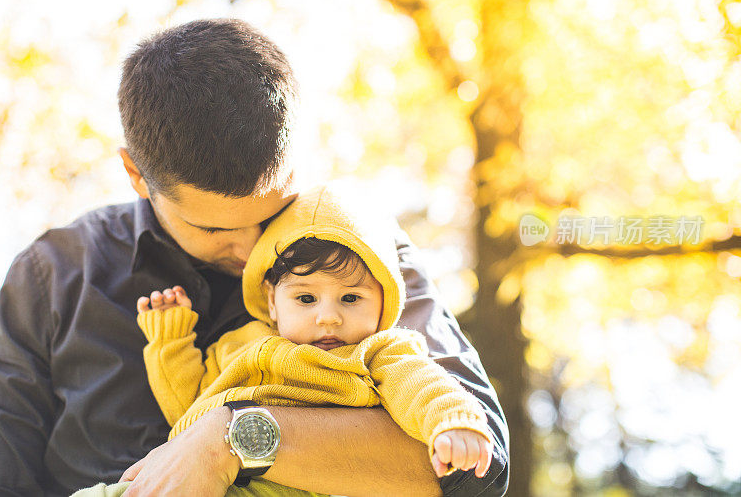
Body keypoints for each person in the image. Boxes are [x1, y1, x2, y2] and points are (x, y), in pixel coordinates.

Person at [0, 18, 508, 497]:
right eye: (213, 227)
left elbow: (479, 471)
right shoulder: (53, 278)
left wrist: (231, 438)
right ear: (137, 175)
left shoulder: (357, 253)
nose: (250, 249)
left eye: (271, 216)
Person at [73, 185, 495, 496]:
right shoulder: (240, 343)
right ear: (272, 302)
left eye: (351, 298)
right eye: (306, 298)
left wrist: (453, 422)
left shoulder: (379, 352)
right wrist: (170, 339)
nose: (328, 316)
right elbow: (188, 402)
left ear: (384, 299)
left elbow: (423, 386)